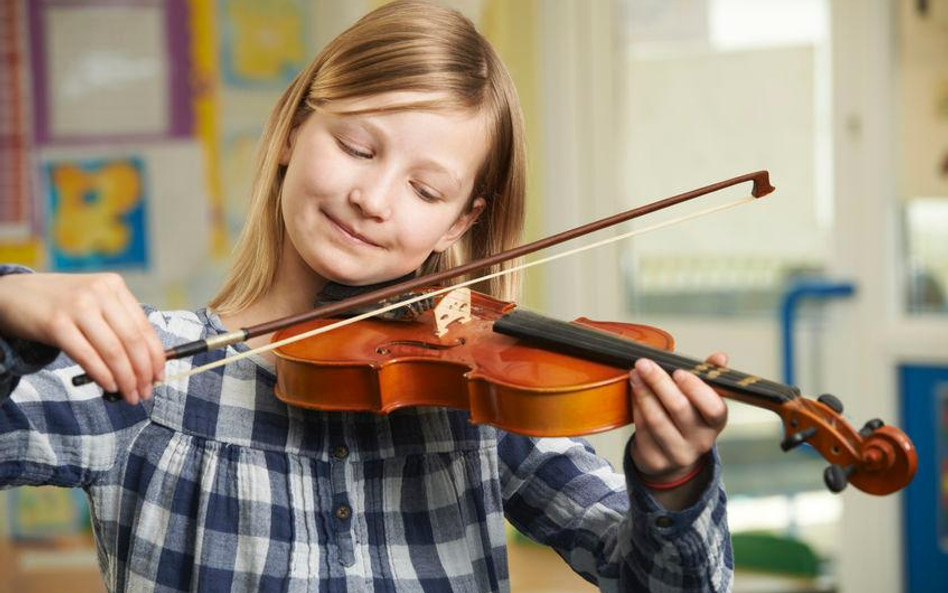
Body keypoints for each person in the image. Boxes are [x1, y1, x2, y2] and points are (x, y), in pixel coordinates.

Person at [0, 2, 732, 591]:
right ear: (292, 131)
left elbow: (662, 579)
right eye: (357, 147)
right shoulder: (146, 373)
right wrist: (11, 304)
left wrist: (673, 479)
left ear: (459, 222)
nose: (373, 198)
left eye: (425, 189)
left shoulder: (478, 395)